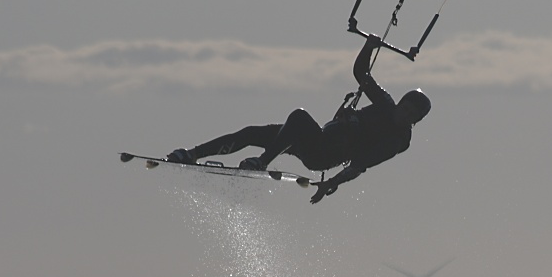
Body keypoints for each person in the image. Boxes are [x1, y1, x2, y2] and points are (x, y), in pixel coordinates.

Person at [167, 33, 431, 204]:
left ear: (415, 122)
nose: (404, 115)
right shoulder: (385, 103)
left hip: (323, 154)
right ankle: (192, 154)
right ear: (401, 103)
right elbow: (361, 71)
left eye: (411, 116)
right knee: (251, 133)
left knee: (299, 117)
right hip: (315, 139)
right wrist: (368, 46)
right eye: (405, 108)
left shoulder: (396, 141)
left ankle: (261, 162)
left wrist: (330, 184)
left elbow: (360, 165)